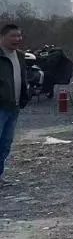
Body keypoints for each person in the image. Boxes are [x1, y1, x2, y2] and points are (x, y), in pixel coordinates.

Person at [0, 24, 30, 187]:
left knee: (5, 144)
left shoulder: (20, 55)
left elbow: (22, 78)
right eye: (13, 36)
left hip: (14, 106)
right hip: (1, 106)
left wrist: (25, 96)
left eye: (19, 36)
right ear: (2, 37)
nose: (17, 39)